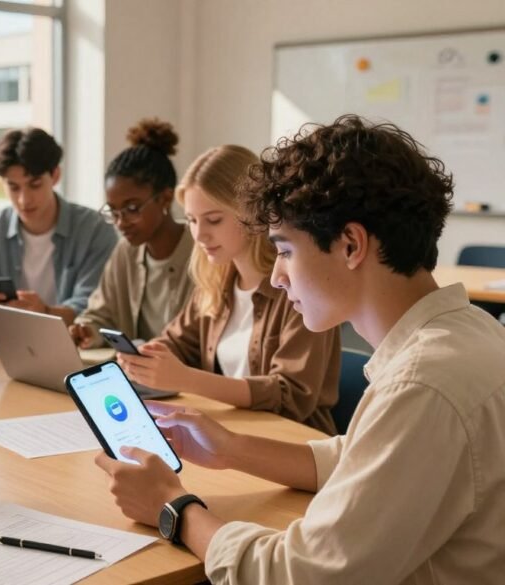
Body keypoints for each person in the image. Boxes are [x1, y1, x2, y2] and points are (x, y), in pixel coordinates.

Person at [96, 115, 505, 584]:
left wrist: (174, 508)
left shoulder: (421, 386)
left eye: (286, 250)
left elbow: (301, 574)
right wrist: (231, 448)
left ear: (350, 245)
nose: (276, 276)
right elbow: (357, 458)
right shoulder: (471, 333)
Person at [118, 144, 340, 433]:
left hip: (292, 440)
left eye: (213, 220)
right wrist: (145, 359)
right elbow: (176, 343)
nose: (199, 235)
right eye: (192, 220)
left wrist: (187, 379)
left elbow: (291, 395)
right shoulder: (216, 282)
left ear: (252, 213)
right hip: (231, 435)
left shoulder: (298, 288)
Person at [0, 127, 117, 329]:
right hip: (1, 343)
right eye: (13, 187)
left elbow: (95, 310)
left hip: (70, 343)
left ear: (55, 176)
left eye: (35, 185)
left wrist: (45, 313)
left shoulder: (95, 230)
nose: (24, 200)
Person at [70, 119, 195, 349]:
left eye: (132, 208)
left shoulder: (201, 252)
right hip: (135, 368)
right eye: (113, 211)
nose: (121, 222)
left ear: (165, 198)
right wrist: (88, 330)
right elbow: (100, 315)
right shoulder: (125, 252)